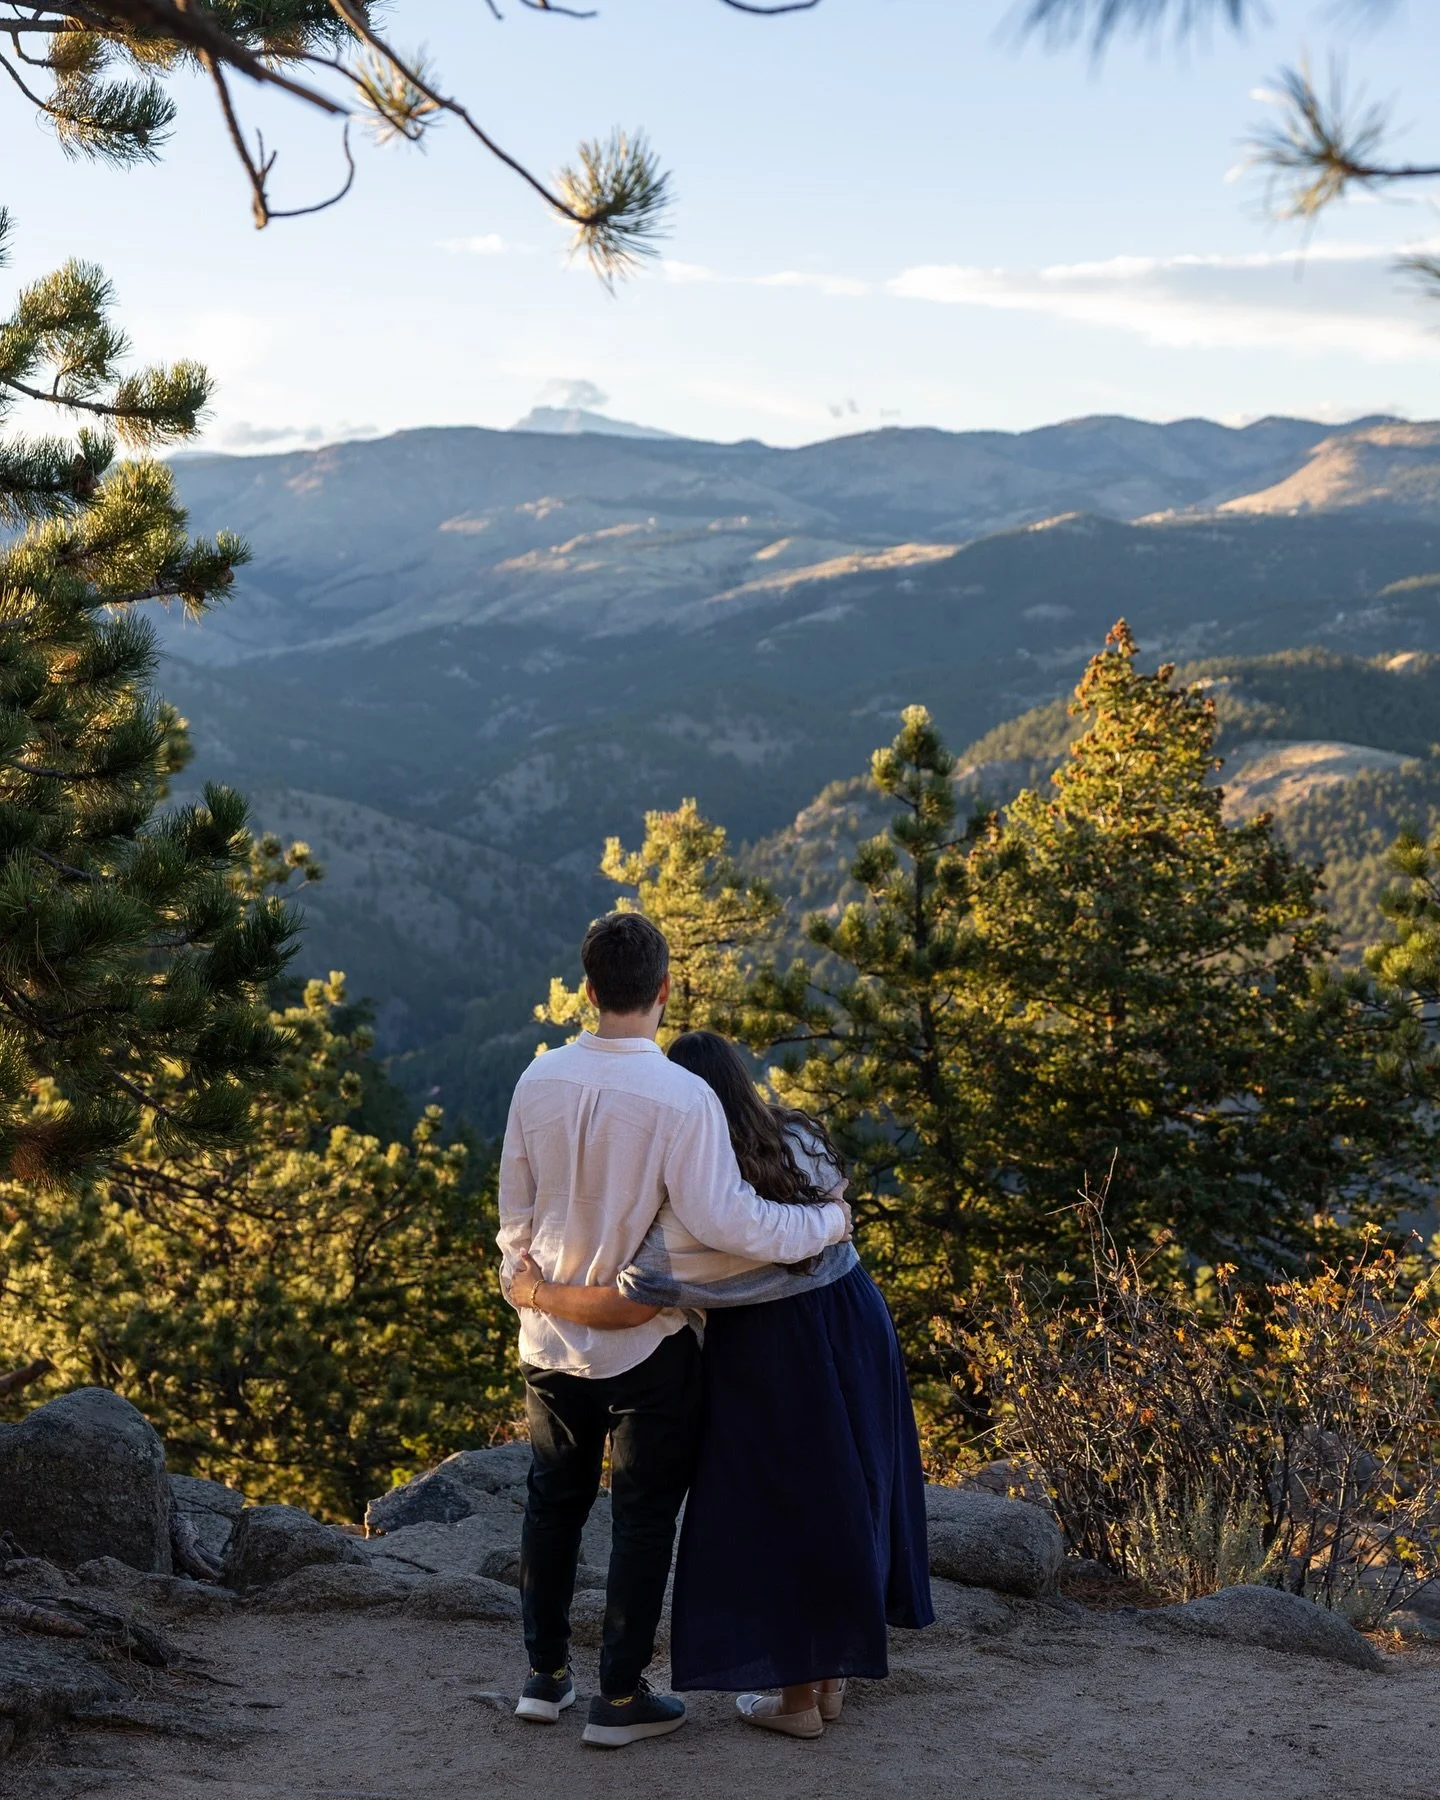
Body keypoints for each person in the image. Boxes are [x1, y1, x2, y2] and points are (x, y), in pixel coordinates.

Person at [507, 1028, 934, 1742]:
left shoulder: (685, 1207)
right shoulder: (799, 1134)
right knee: (844, 1490)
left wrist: (537, 1295)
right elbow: (835, 1205)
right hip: (855, 1317)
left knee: (780, 1509)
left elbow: (632, 1301)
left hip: (773, 1348)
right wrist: (830, 1220)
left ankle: (797, 1700)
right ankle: (826, 1681)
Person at [496, 914, 852, 1750]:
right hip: (648, 1342)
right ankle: (620, 1696)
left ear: (587, 991)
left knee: (553, 1502)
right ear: (664, 991)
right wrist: (828, 1228)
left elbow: (515, 1208)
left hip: (550, 1336)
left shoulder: (536, 1080)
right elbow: (731, 1224)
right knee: (644, 1517)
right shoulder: (682, 1096)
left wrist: (530, 1291)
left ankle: (544, 1678)